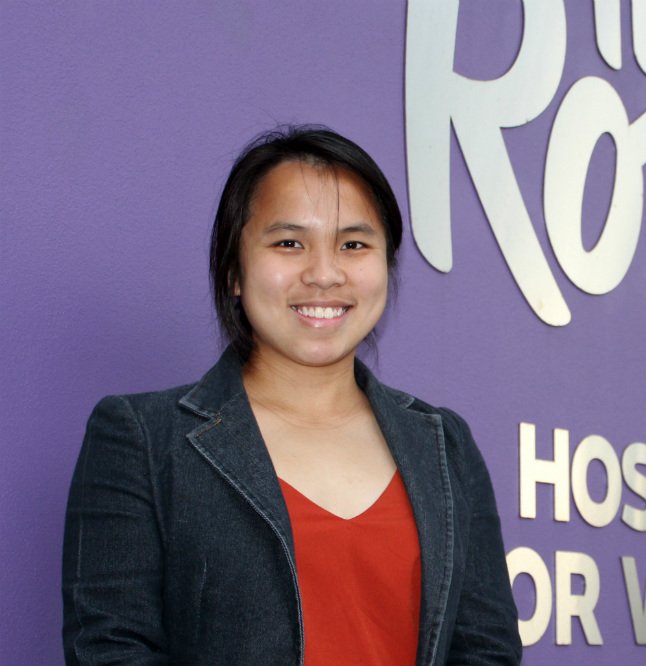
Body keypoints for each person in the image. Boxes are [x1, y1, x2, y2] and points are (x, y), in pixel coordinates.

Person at [62, 126, 522, 665]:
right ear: (234, 270)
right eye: (288, 243)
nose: (324, 274)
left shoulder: (443, 443)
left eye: (353, 244)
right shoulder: (143, 438)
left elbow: (486, 649)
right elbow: (110, 650)